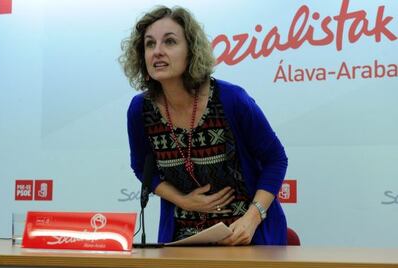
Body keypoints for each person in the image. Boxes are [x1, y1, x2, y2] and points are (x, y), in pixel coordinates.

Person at [119, 6, 288, 245]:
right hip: (183, 241)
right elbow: (141, 168)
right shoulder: (140, 110)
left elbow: (276, 159)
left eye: (169, 42)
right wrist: (182, 200)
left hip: (245, 237)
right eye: (149, 44)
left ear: (191, 51)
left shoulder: (232, 100)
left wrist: (252, 218)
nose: (157, 52)